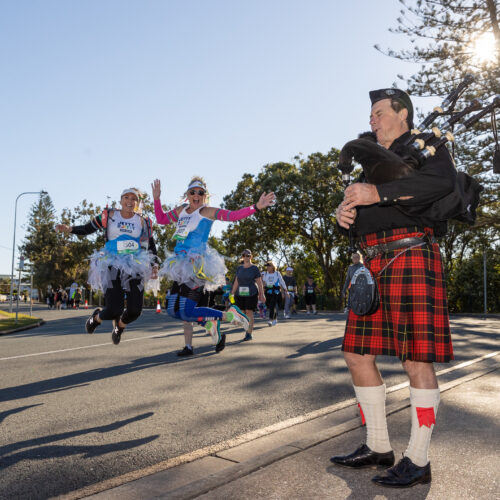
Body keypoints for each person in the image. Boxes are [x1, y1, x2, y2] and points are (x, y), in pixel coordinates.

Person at [331, 88, 456, 488]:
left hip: (412, 254)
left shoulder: (429, 146)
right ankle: (377, 446)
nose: (372, 119)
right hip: (373, 262)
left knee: (416, 360)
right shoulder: (369, 157)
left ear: (402, 114)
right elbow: (360, 204)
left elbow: (441, 185)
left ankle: (417, 460)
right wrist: (343, 213)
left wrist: (377, 193)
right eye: (370, 114)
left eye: (380, 112)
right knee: (356, 354)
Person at [152, 177, 275, 355]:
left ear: (205, 196)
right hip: (179, 264)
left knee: (186, 311)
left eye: (200, 193)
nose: (196, 195)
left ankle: (230, 315)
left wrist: (255, 207)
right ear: (187, 195)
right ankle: (210, 322)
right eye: (192, 192)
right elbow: (162, 219)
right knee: (173, 310)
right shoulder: (181, 211)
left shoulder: (207, 211)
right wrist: (157, 199)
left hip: (197, 266)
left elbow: (232, 216)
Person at [56, 188, 158, 345]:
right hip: (112, 262)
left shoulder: (143, 221)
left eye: (134, 199)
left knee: (135, 310)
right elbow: (87, 228)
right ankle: (96, 318)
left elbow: (151, 244)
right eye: (126, 197)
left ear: (137, 203)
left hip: (135, 263)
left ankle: (120, 327)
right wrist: (70, 229)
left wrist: (154, 265)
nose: (130, 201)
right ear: (121, 200)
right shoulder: (109, 216)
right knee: (114, 309)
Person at [231, 249, 265, 341]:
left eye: (248, 255)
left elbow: (259, 282)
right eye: (244, 255)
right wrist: (232, 293)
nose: (246, 257)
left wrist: (262, 294)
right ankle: (246, 328)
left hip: (252, 293)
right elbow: (236, 281)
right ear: (242, 257)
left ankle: (249, 333)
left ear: (251, 256)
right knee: (242, 312)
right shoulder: (239, 268)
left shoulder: (254, 268)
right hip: (240, 294)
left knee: (249, 312)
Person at [261, 262, 288, 326]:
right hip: (268, 291)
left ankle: (270, 320)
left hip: (276, 291)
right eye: (266, 266)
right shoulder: (265, 273)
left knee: (272, 305)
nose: (267, 267)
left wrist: (285, 290)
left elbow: (282, 281)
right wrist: (262, 290)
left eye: (269, 266)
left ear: (272, 267)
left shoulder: (277, 273)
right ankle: (275, 318)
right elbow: (264, 282)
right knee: (269, 305)